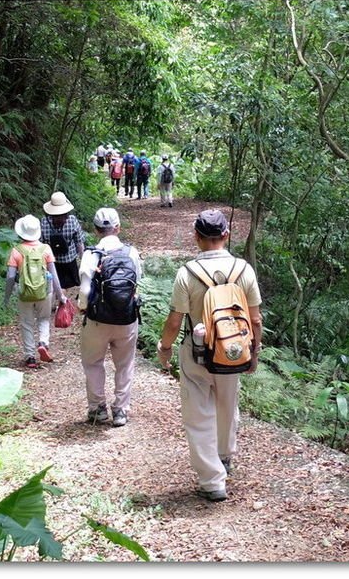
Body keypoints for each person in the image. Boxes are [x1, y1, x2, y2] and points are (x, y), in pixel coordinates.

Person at [156, 209, 263, 502]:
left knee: (198, 415)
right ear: (226, 235)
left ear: (197, 237)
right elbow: (255, 320)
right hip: (233, 350)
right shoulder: (244, 270)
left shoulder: (186, 273)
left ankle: (212, 481)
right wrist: (254, 352)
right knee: (228, 404)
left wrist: (165, 349)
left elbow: (175, 321)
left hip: (197, 350)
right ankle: (225, 456)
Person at [78, 208, 142, 426]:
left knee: (93, 363)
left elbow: (85, 291)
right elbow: (136, 284)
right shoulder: (131, 252)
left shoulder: (90, 254)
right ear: (118, 227)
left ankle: (97, 408)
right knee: (125, 364)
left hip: (98, 319)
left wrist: (83, 308)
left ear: (96, 230)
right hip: (126, 318)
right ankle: (121, 410)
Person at [4, 214, 65, 368]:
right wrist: (60, 295)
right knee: (44, 318)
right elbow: (54, 274)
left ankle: (30, 356)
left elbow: (11, 277)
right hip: (45, 292)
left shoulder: (16, 251)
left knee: (26, 323)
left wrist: (7, 297)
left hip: (24, 292)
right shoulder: (46, 249)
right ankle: (43, 342)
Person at [41, 191, 85, 291]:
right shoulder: (72, 220)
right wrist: (83, 261)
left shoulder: (44, 221)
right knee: (73, 290)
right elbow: (79, 242)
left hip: (52, 263)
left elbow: (41, 245)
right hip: (70, 263)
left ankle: (56, 305)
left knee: (55, 288)